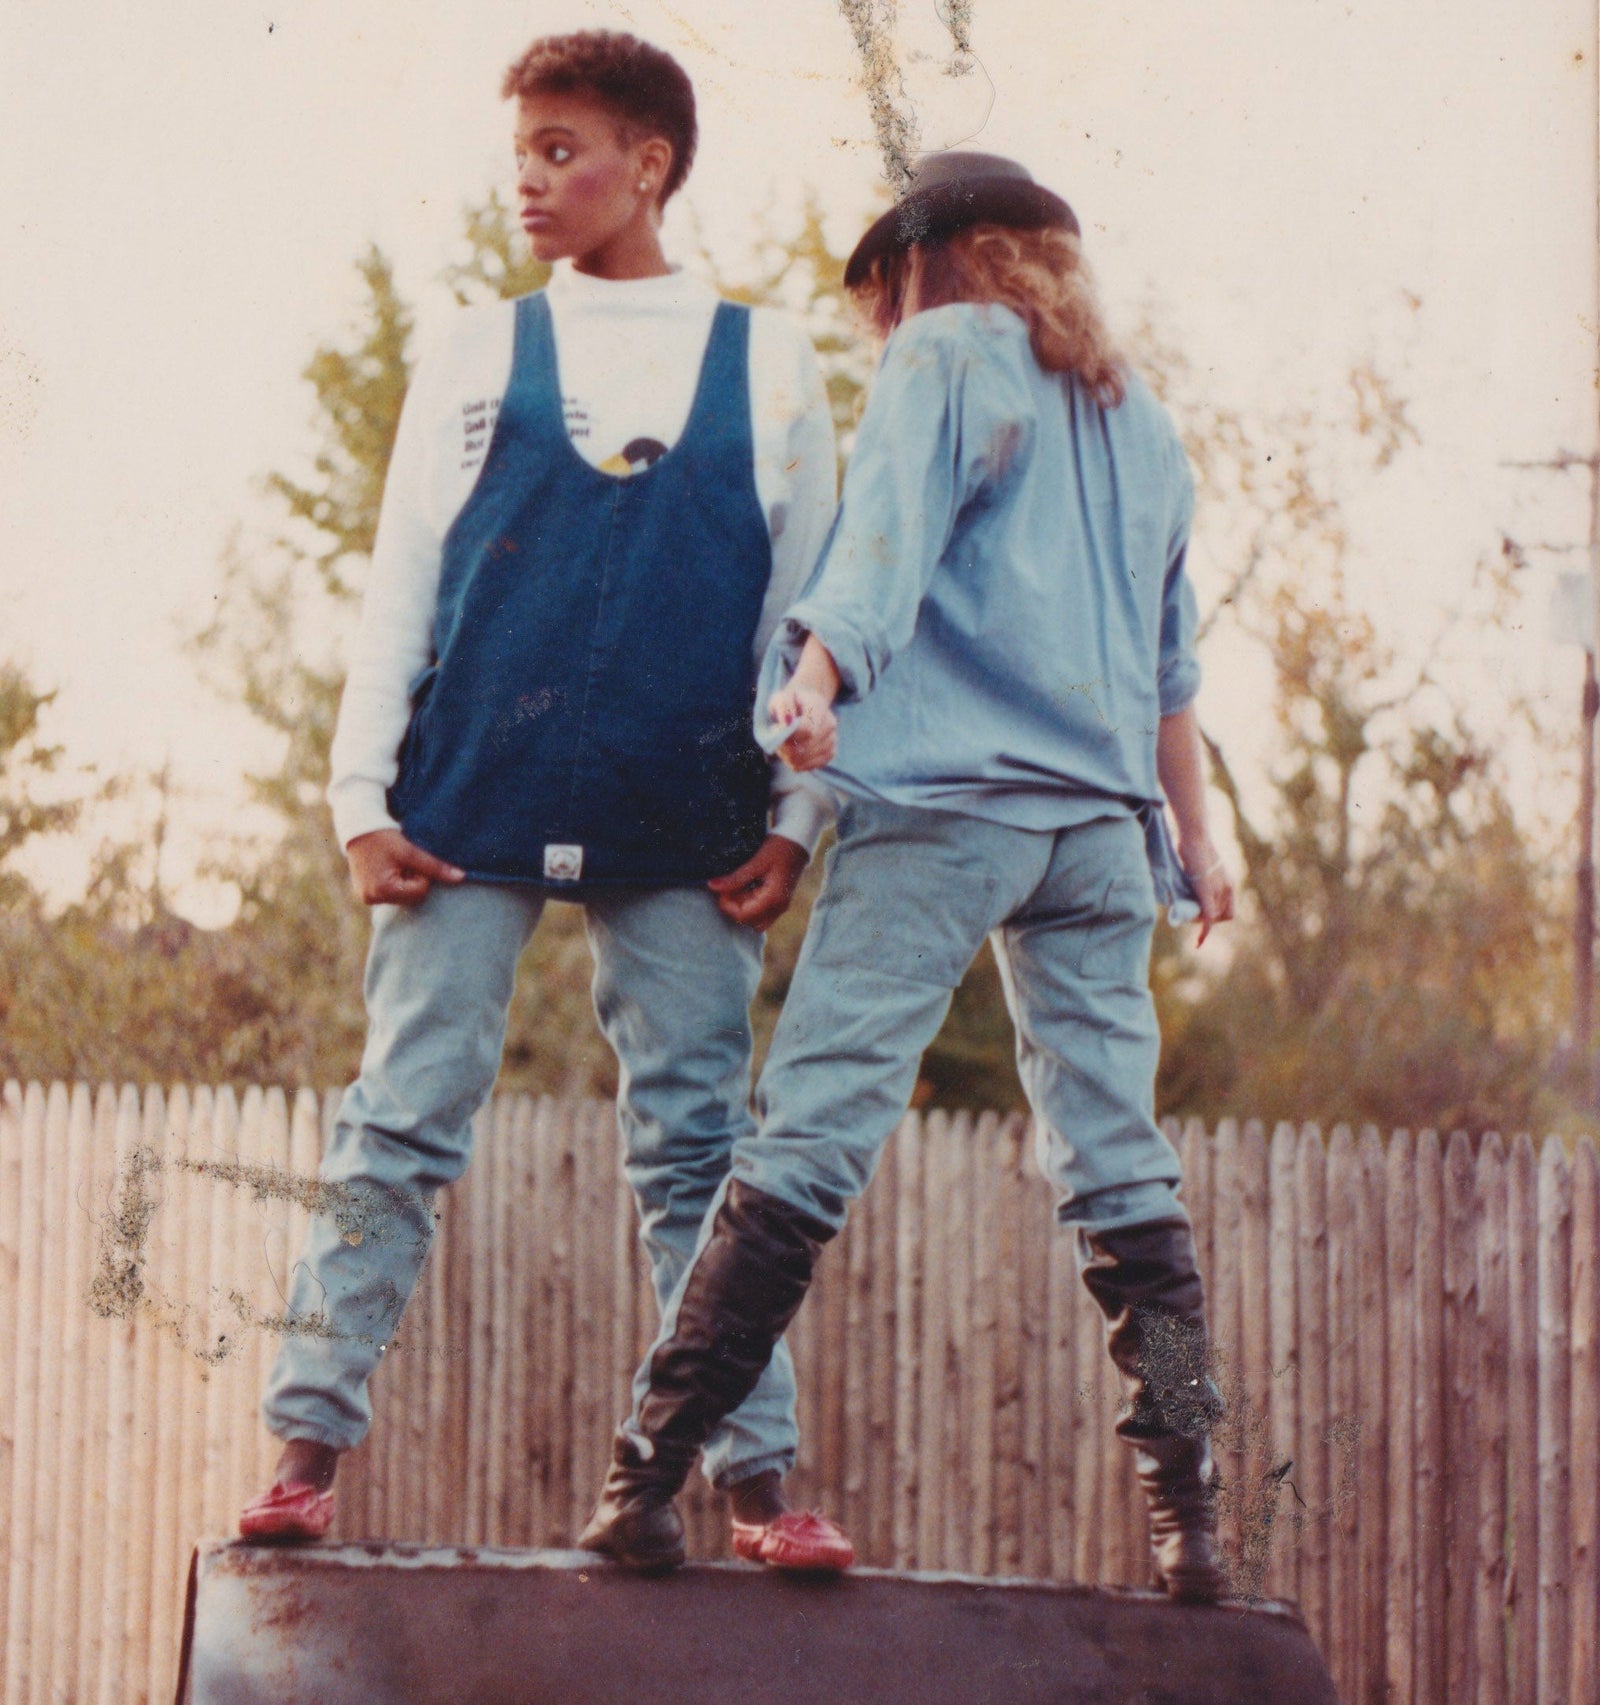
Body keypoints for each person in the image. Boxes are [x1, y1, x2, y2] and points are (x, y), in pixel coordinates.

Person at [580, 152, 1237, 1601]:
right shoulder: (1146, 424)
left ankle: (648, 1475)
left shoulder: (946, 354)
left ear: (931, 266)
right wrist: (1202, 832)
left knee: (808, 1136)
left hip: (950, 806)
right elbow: (1169, 669)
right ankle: (1194, 1518)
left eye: (885, 288)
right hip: (1100, 835)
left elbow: (876, 552)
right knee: (1125, 1169)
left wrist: (810, 682)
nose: (883, 318)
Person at [239, 30, 853, 1574]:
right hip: (468, 795)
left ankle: (760, 1484)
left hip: (689, 803)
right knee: (399, 1115)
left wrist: (796, 818)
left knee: (699, 1152)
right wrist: (354, 800)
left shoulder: (771, 359)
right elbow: (401, 592)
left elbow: (807, 622)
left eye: (564, 148)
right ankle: (303, 1452)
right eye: (521, 149)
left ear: (649, 164)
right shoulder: (467, 348)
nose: (530, 177)